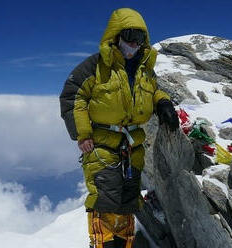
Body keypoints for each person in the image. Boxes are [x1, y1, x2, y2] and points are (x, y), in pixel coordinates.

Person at [60, 8, 179, 248]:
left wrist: (163, 102)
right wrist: (81, 134)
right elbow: (73, 97)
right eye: (129, 36)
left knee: (128, 200)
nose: (134, 43)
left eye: (140, 38)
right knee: (106, 199)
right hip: (101, 143)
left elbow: (154, 91)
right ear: (115, 36)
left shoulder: (145, 70)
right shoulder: (94, 67)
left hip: (132, 145)